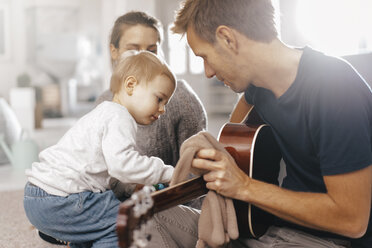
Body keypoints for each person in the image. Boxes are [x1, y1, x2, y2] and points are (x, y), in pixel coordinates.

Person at [140, 0, 372, 247]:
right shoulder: (257, 87)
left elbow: (352, 221)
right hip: (269, 229)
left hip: (328, 241)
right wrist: (214, 159)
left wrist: (244, 187)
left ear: (228, 38)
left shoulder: (335, 88)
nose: (207, 72)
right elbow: (232, 140)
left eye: (205, 57)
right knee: (145, 218)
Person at [24, 50, 178, 248]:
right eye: (159, 99)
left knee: (101, 217)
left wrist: (127, 187)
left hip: (36, 195)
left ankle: (77, 238)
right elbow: (123, 166)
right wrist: (166, 172)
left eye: (166, 103)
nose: (163, 109)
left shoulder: (104, 112)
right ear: (131, 85)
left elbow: (105, 172)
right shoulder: (120, 117)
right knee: (124, 220)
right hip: (60, 200)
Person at [96, 11, 207, 204]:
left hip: (171, 202)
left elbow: (197, 173)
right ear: (114, 51)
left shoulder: (180, 98)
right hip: (120, 202)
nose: (143, 57)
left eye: (151, 50)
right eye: (133, 49)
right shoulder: (105, 102)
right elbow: (101, 172)